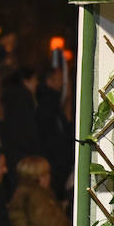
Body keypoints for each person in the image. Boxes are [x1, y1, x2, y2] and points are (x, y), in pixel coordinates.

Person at [0, 67, 40, 195]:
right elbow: (26, 129)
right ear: (25, 81)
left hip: (14, 152)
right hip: (22, 154)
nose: (37, 83)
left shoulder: (13, 98)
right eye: (34, 80)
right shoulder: (23, 99)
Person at [37, 65, 74, 200]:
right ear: (49, 81)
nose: (62, 83)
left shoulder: (52, 103)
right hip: (54, 162)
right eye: (59, 79)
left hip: (57, 161)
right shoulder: (47, 105)